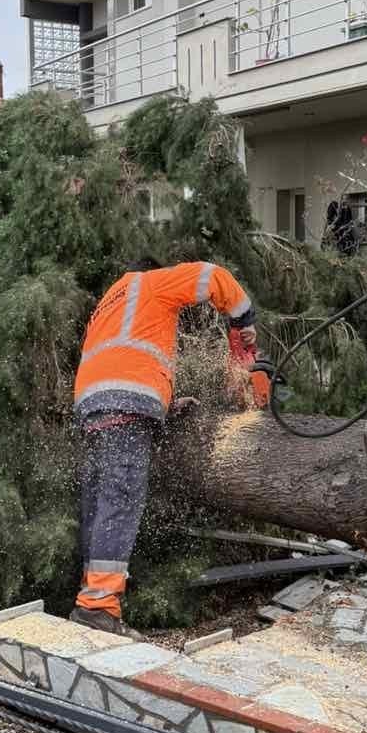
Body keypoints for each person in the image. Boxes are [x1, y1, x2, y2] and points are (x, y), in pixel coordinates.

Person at [71, 257, 269, 636]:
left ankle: (90, 598)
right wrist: (243, 322)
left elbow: (125, 358)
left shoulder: (110, 301)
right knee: (120, 501)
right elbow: (215, 277)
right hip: (125, 398)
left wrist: (164, 407)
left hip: (94, 404)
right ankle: (97, 608)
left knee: (98, 502)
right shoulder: (150, 283)